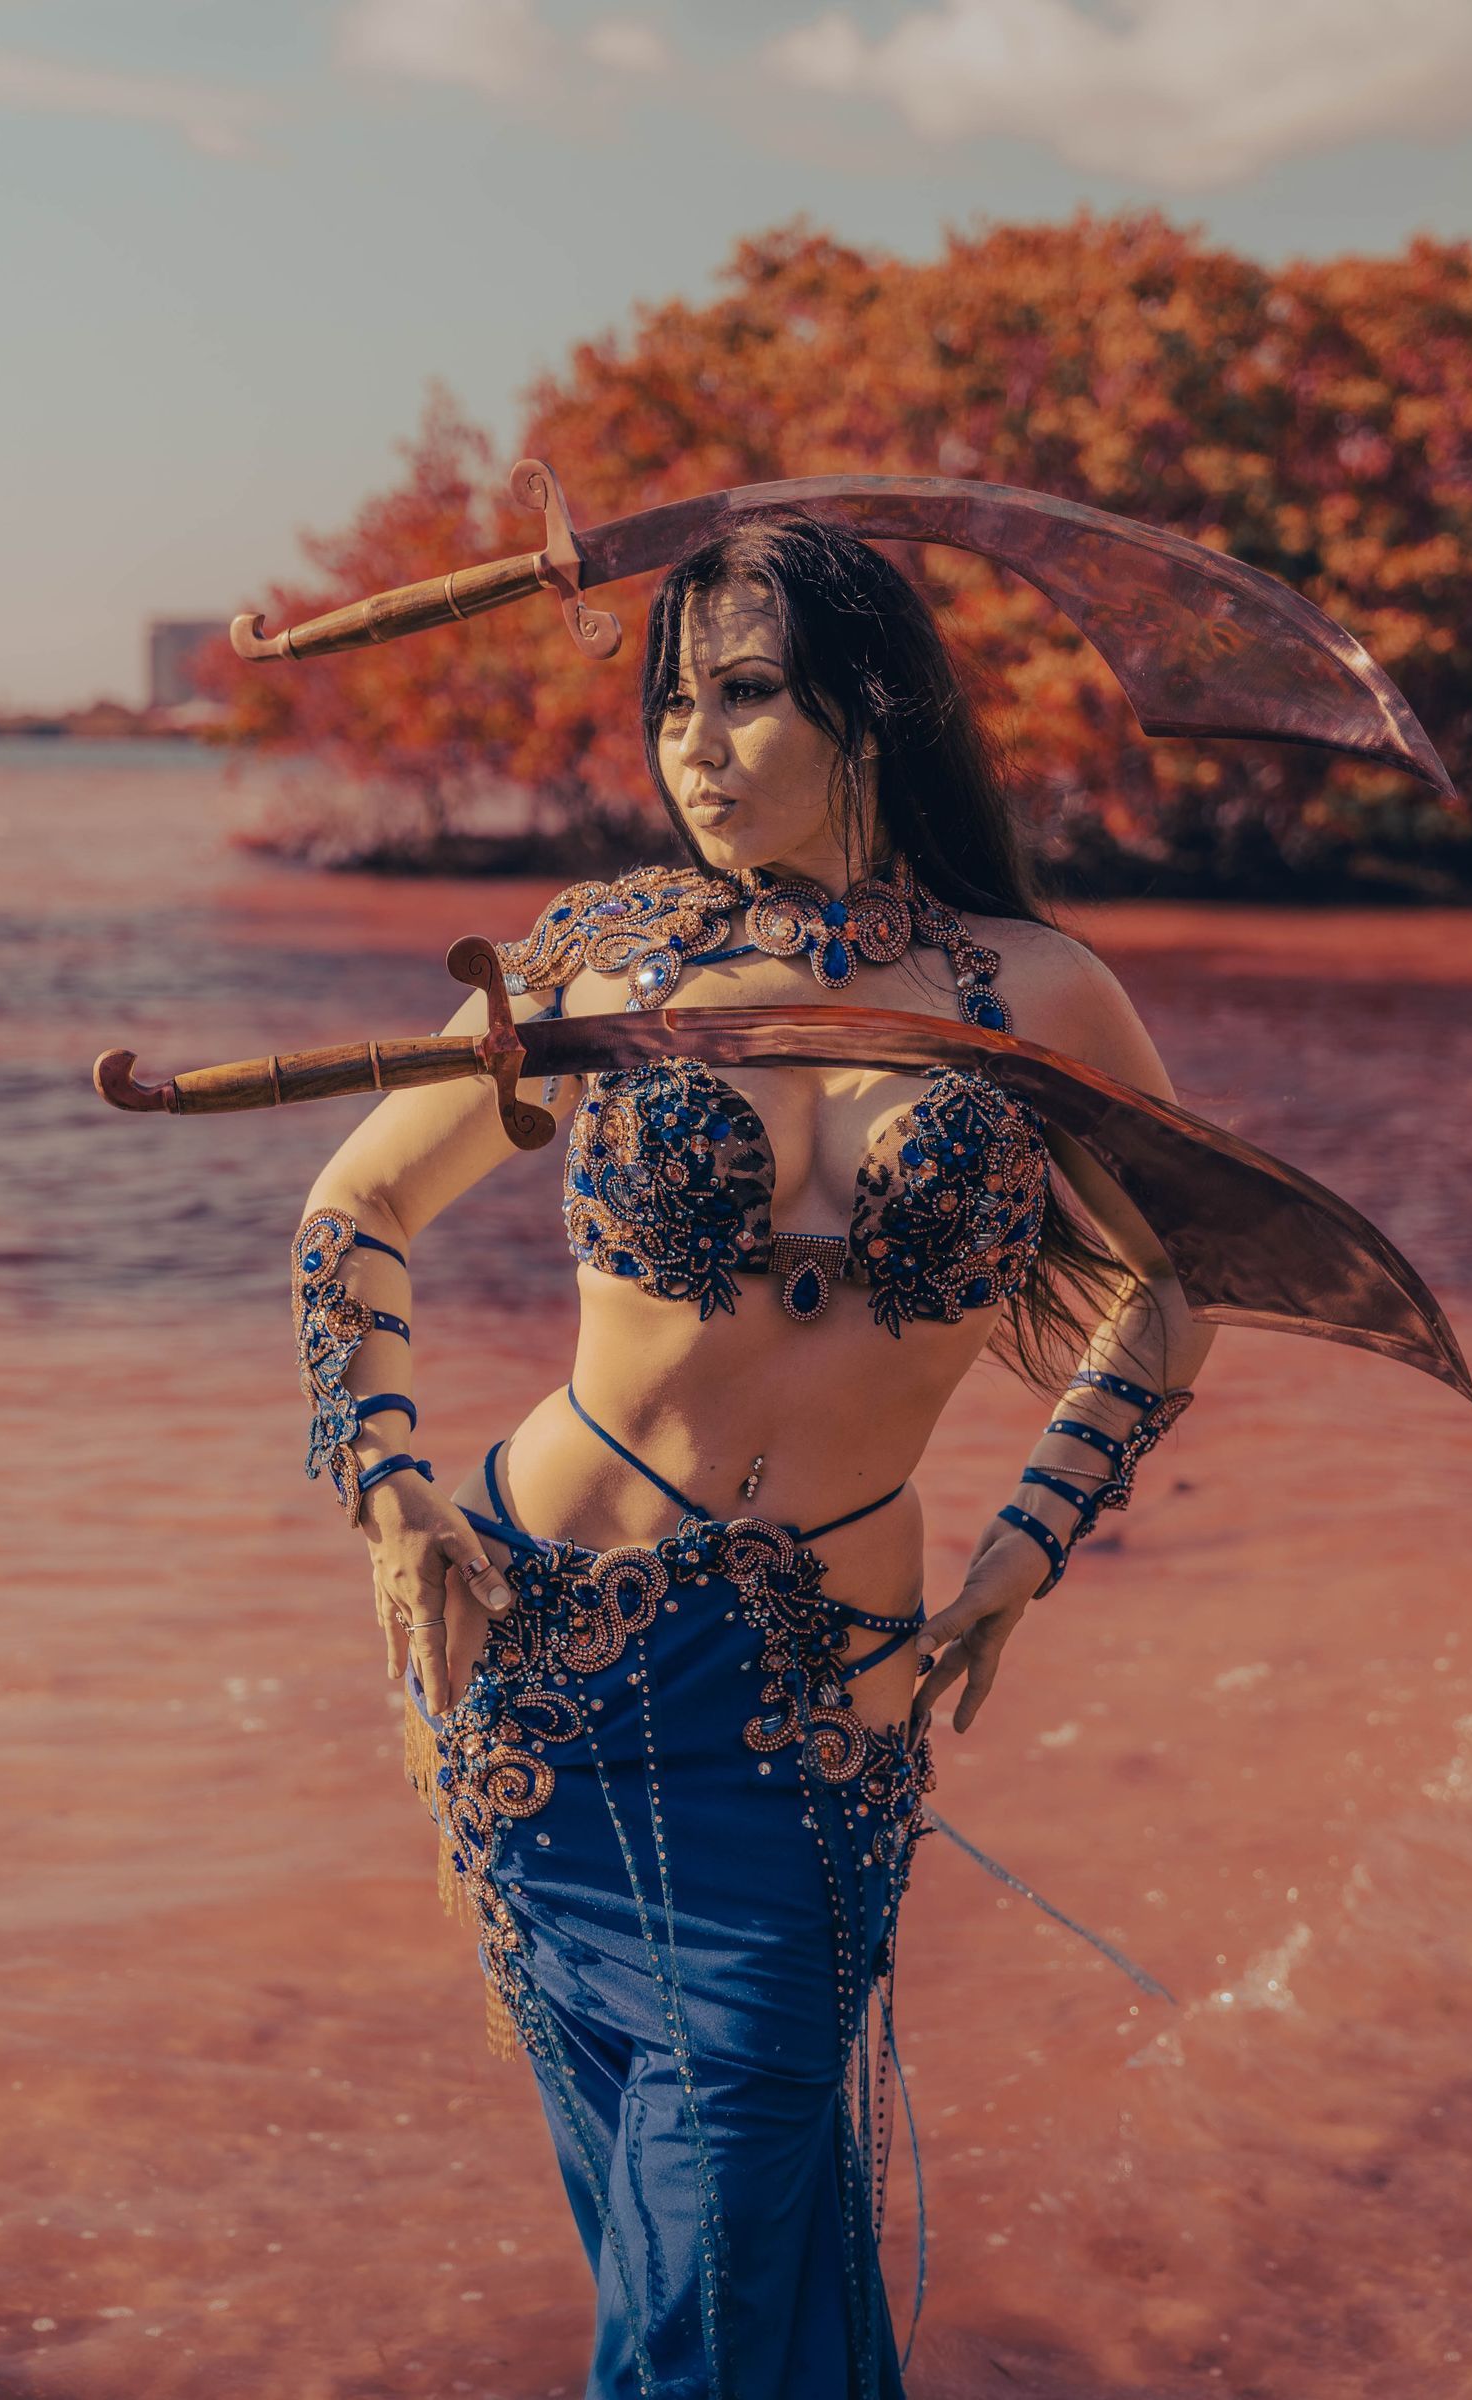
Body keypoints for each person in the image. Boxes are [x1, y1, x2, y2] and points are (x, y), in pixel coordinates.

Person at [289, 514, 1215, 2399]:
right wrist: (387, 1490)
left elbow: (1180, 1284)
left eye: (745, 694)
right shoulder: (596, 959)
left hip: (819, 1710)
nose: (693, 749)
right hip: (544, 1658)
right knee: (668, 2228)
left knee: (713, 2236)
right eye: (673, 705)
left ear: (869, 706)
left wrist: (1030, 1540)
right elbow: (353, 1213)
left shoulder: (1040, 994)